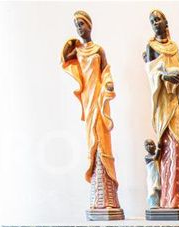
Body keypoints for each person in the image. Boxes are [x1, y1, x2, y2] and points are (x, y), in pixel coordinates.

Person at [62, 10, 121, 213]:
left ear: (90, 25)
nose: (79, 28)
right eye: (76, 25)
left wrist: (109, 84)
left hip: (100, 99)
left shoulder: (98, 50)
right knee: (92, 141)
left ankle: (110, 198)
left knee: (103, 139)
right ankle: (98, 197)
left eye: (82, 24)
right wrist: (70, 44)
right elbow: (64, 59)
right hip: (88, 99)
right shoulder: (78, 51)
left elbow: (106, 72)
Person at [143, 10, 179, 210]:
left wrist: (176, 77)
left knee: (176, 147)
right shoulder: (151, 46)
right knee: (165, 147)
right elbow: (151, 73)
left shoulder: (174, 47)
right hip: (162, 103)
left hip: (174, 101)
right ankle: (165, 199)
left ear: (165, 22)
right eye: (152, 21)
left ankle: (177, 198)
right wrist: (163, 76)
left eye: (158, 19)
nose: (155, 23)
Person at [143, 139, 161, 209]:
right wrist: (159, 148)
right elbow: (155, 158)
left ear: (155, 146)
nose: (149, 146)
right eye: (147, 145)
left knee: (158, 189)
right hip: (152, 177)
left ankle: (158, 203)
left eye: (151, 144)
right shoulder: (147, 157)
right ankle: (153, 204)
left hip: (157, 175)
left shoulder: (157, 154)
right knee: (153, 190)